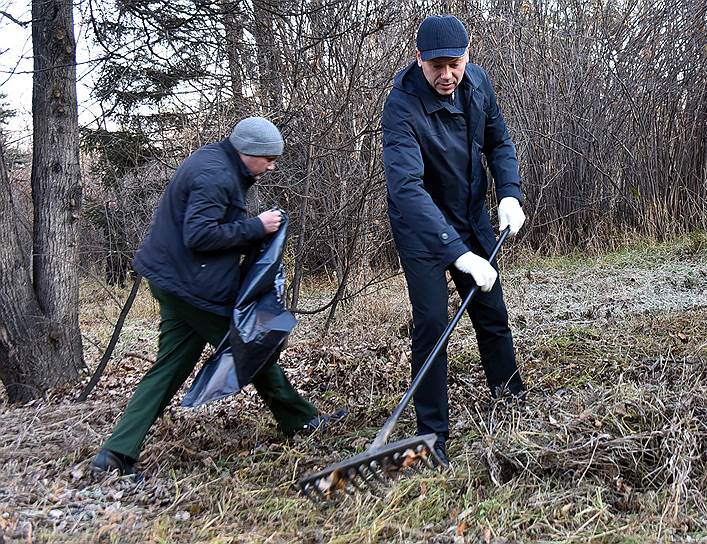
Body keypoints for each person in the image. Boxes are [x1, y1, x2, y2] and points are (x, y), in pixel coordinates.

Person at [91, 117, 332, 481]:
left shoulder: (214, 160)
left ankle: (116, 453)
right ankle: (302, 420)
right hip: (192, 287)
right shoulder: (217, 175)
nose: (272, 166)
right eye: (268, 159)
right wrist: (257, 227)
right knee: (252, 345)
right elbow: (199, 235)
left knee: (170, 367)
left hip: (172, 280)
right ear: (247, 152)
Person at [382, 15, 527, 466]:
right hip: (421, 229)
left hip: (470, 215)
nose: (447, 75)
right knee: (431, 325)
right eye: (436, 66)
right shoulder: (401, 106)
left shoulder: (478, 84)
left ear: (468, 56)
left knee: (491, 310)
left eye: (455, 64)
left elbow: (499, 142)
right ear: (419, 59)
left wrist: (509, 192)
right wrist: (458, 254)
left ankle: (510, 401)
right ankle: (432, 436)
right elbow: (406, 188)